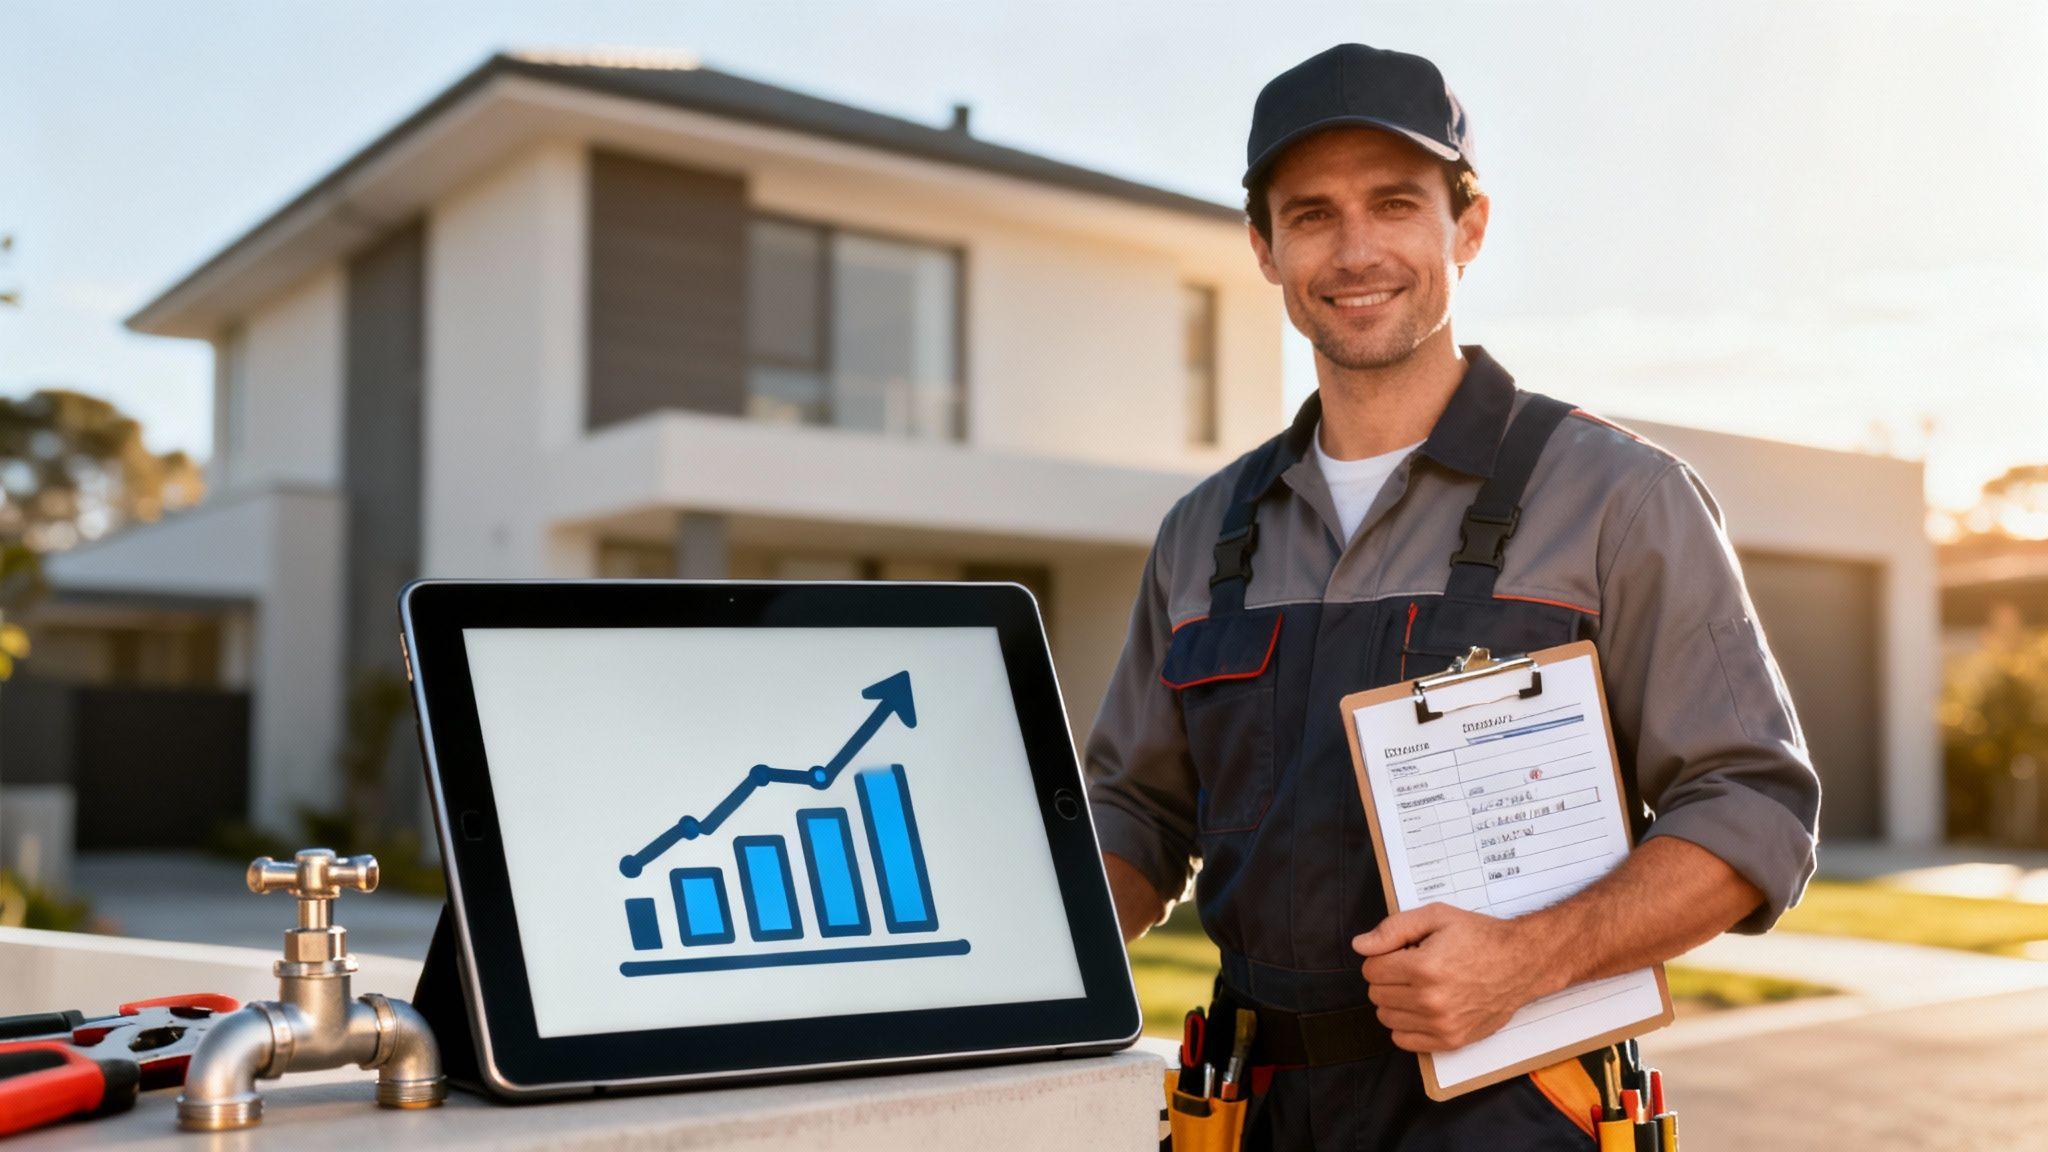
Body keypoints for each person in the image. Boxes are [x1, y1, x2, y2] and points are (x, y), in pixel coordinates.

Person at [1085, 43, 1822, 1149]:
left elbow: (1752, 807)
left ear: (1465, 229)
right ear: (1263, 248)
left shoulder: (1617, 498)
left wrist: (1528, 957)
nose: (1354, 250)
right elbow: (1136, 815)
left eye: (1393, 204)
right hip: (1251, 1117)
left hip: (1518, 1113)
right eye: (1311, 214)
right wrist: (1022, 967)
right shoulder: (1202, 533)